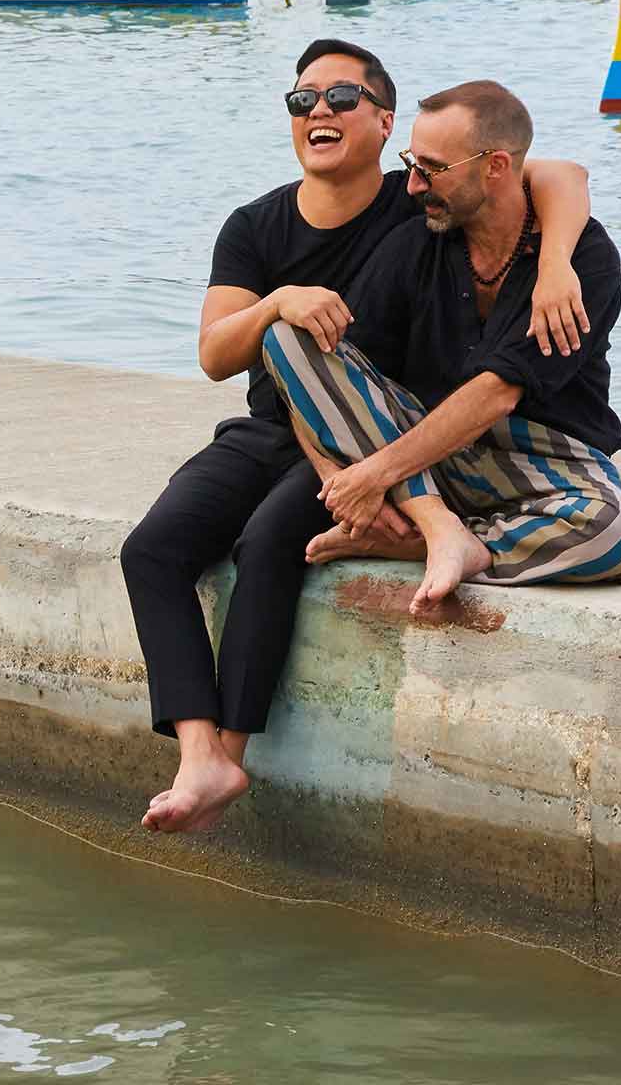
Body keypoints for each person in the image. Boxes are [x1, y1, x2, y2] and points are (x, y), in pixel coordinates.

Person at [123, 40, 591, 835]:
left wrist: (556, 266)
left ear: (384, 122)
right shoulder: (255, 225)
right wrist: (280, 300)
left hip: (370, 435)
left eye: (341, 98)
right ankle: (199, 751)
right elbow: (214, 353)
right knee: (152, 548)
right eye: (302, 99)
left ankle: (231, 752)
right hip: (271, 428)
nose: (319, 111)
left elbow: (557, 175)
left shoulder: (421, 205)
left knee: (272, 541)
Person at [264, 79, 621, 622]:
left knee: (614, 531)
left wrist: (374, 476)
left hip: (540, 458)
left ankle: (445, 543)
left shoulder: (583, 260)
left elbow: (497, 393)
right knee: (289, 334)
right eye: (411, 163)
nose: (414, 184)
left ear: (496, 167)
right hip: (422, 458)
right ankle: (438, 524)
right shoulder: (415, 243)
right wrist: (336, 480)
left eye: (432, 168)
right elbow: (325, 372)